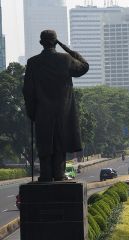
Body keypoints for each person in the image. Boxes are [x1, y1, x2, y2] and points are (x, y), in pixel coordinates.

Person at [23, 30, 89, 182]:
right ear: (55, 42)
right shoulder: (65, 59)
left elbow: (27, 90)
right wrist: (68, 49)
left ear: (41, 43)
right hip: (62, 111)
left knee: (44, 143)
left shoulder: (33, 62)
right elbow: (84, 66)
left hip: (42, 111)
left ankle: (45, 175)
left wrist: (31, 111)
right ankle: (59, 174)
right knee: (60, 143)